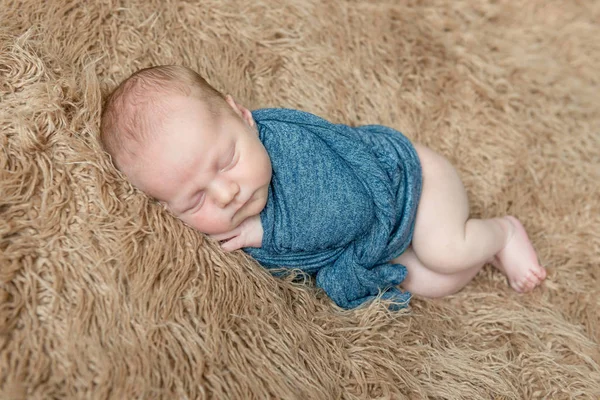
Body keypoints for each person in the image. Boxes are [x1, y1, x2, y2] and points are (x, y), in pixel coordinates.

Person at [100, 65, 546, 309]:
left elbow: (349, 210)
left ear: (243, 116)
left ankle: (503, 232)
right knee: (432, 281)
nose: (225, 194)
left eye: (227, 161)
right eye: (194, 199)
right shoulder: (225, 194)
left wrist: (266, 233)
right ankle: (480, 250)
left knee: (446, 251)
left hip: (410, 182)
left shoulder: (289, 145)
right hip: (380, 235)